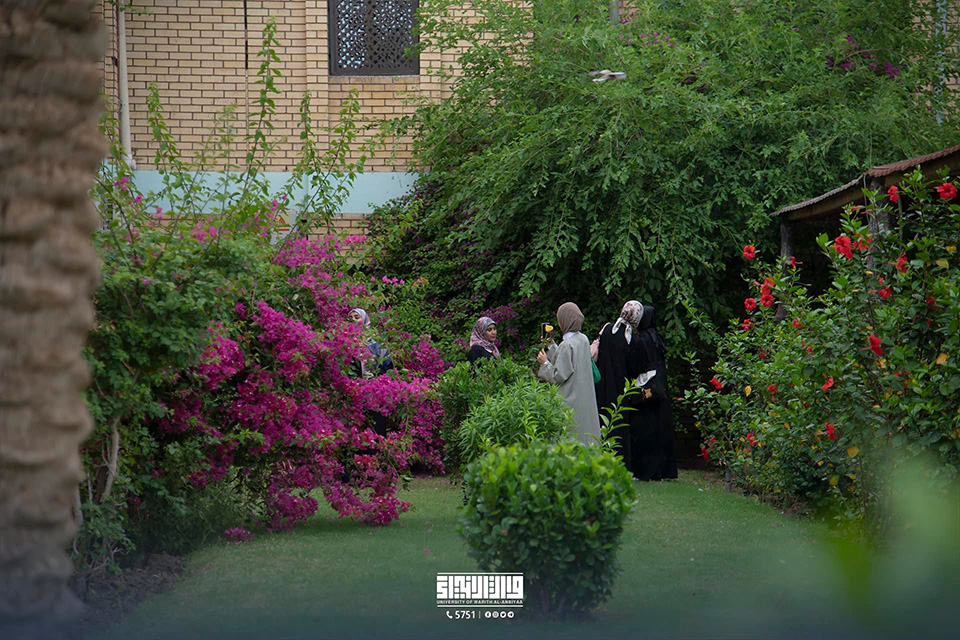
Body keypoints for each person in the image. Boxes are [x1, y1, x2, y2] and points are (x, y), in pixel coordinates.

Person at [537, 302, 601, 445]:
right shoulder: (583, 339)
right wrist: (552, 346)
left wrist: (544, 363)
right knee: (586, 436)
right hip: (584, 398)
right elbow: (568, 360)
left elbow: (558, 376)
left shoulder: (567, 345)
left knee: (572, 437)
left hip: (571, 400)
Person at [594, 300, 645, 471]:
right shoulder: (633, 340)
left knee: (602, 421)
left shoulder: (608, 329)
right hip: (620, 390)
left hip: (601, 386)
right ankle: (619, 465)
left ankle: (600, 460)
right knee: (619, 425)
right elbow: (634, 369)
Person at [630, 305, 678, 481]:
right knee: (660, 430)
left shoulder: (641, 340)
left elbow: (636, 366)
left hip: (645, 392)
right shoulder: (657, 338)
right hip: (659, 389)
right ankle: (663, 471)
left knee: (644, 431)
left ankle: (646, 471)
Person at [347, 308, 392, 377]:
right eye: (350, 318)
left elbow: (386, 364)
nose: (353, 320)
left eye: (357, 317)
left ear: (364, 320)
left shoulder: (374, 341)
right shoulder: (346, 340)